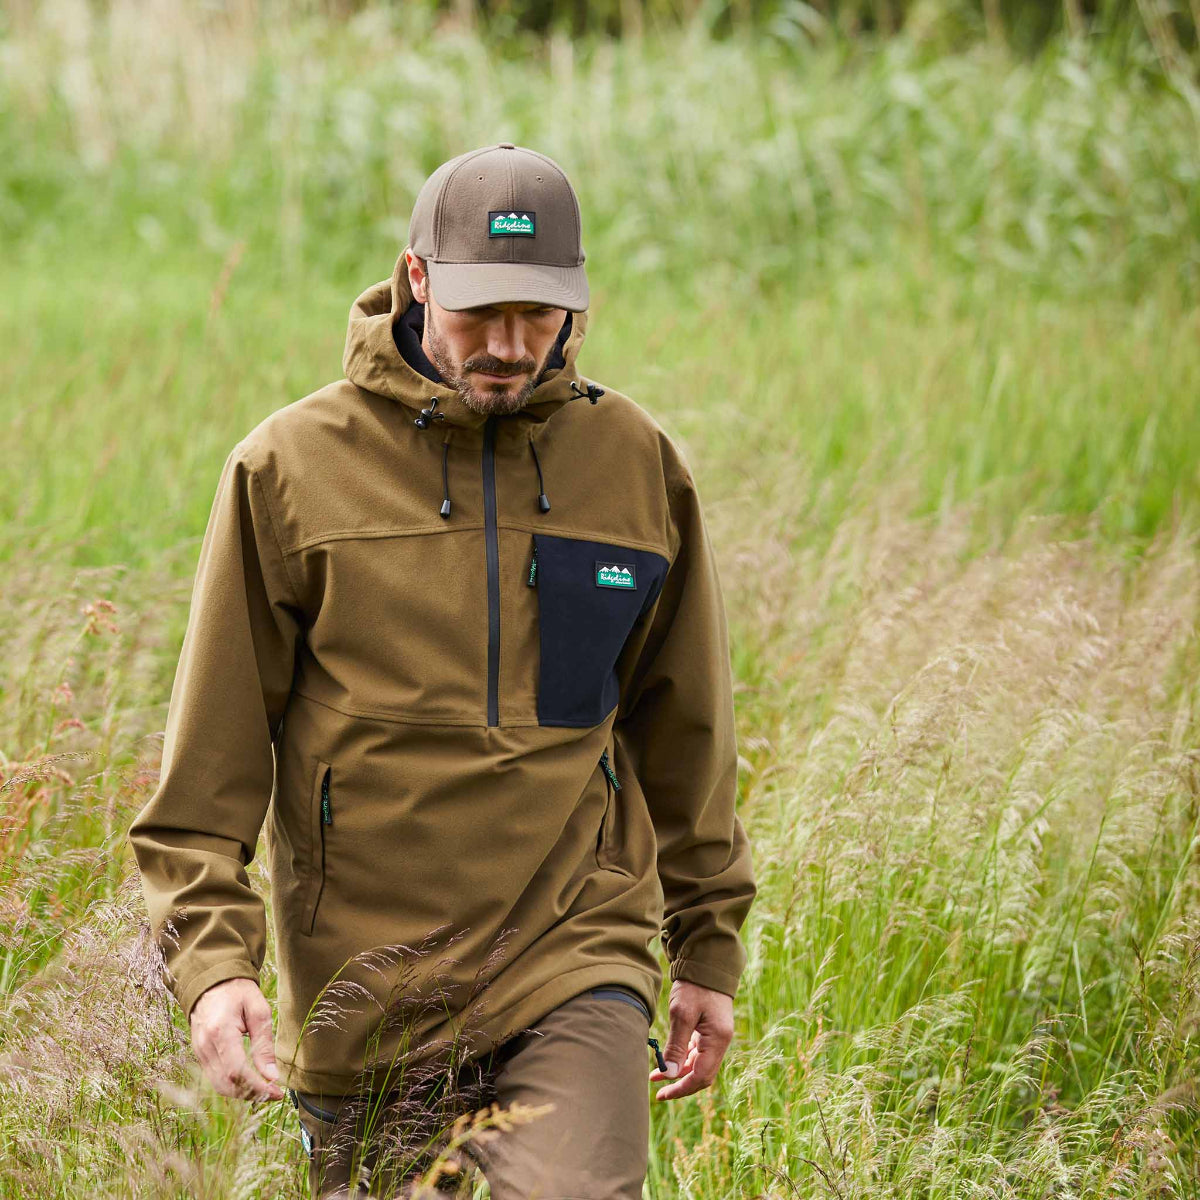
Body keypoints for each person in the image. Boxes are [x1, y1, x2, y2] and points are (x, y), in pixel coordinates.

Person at [128, 142, 758, 1199]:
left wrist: (706, 947)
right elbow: (209, 770)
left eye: (539, 315)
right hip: (365, 993)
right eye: (481, 314)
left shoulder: (634, 464)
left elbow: (683, 728)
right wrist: (214, 967)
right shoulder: (288, 471)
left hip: (574, 955)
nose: (511, 347)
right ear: (417, 278)